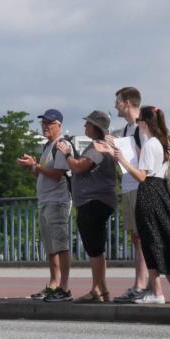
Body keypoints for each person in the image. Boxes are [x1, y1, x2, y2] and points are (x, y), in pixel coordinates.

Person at [104, 105, 170, 304]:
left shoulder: (149, 145)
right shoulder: (164, 142)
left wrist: (122, 159)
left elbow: (141, 176)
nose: (137, 125)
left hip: (148, 193)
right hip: (162, 192)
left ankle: (157, 293)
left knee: (150, 242)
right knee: (164, 238)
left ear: (144, 123)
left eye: (139, 122)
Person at [57, 111, 117, 303]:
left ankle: (96, 290)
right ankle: (102, 290)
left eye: (88, 124)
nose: (85, 127)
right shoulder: (102, 146)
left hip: (93, 201)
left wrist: (67, 154)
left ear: (95, 127)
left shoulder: (98, 147)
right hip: (97, 201)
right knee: (95, 247)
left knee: (94, 248)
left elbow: (79, 167)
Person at [17, 109, 72, 302]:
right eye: (43, 122)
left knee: (60, 245)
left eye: (49, 123)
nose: (45, 126)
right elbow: (42, 174)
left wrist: (36, 165)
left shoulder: (62, 144)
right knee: (50, 246)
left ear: (59, 125)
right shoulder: (48, 146)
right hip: (46, 201)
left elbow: (57, 174)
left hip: (57, 201)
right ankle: (53, 284)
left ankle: (63, 287)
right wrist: (31, 166)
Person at [109, 87, 149, 303]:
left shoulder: (142, 126)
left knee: (141, 237)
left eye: (117, 101)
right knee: (136, 237)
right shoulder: (126, 130)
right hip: (128, 185)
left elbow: (146, 160)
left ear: (126, 102)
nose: (115, 105)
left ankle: (142, 284)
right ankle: (144, 282)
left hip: (140, 186)